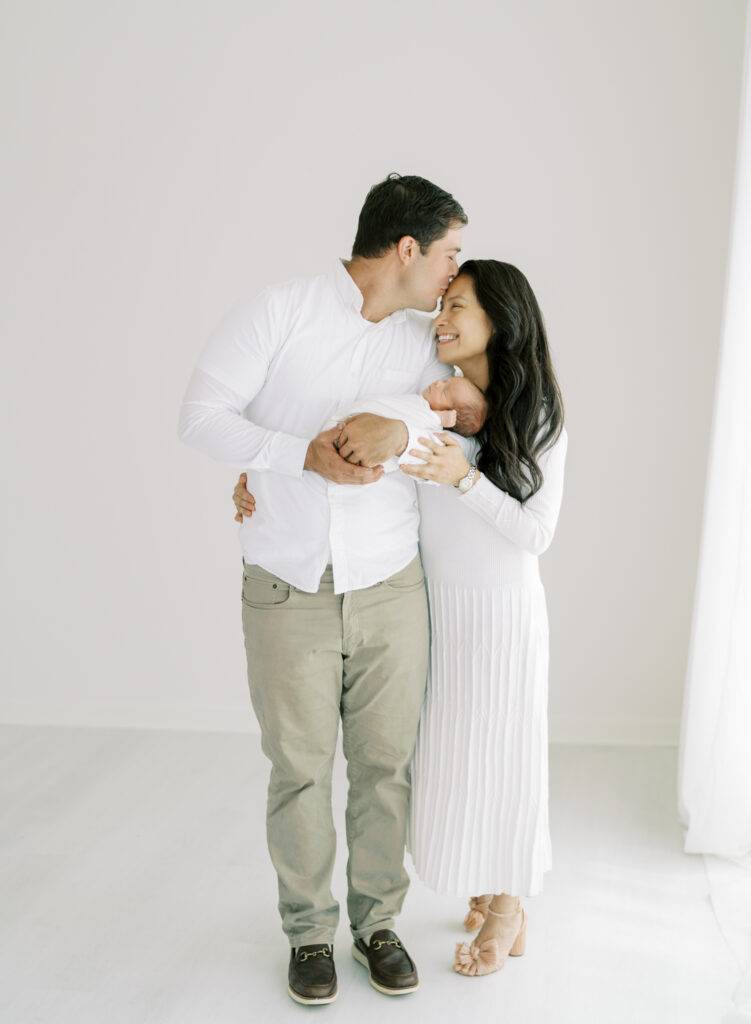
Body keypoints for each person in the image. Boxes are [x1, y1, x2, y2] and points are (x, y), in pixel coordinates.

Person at [178, 173, 467, 1006]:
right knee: (300, 769)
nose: (455, 271)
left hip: (389, 582)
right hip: (286, 584)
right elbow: (201, 415)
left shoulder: (426, 340)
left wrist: (409, 420)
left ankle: (379, 924)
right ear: (406, 249)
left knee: (385, 767)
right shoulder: (278, 310)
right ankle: (308, 933)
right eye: (447, 254)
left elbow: (474, 404)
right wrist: (293, 455)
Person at [233, 259, 567, 979]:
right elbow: (352, 441)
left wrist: (466, 480)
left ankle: (509, 905)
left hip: (501, 611)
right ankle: (480, 886)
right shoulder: (432, 394)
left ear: (502, 321)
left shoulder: (535, 409)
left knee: (503, 754)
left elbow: (535, 533)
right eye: (441, 301)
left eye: (461, 306)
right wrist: (260, 477)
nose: (441, 315)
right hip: (431, 606)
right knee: (450, 756)